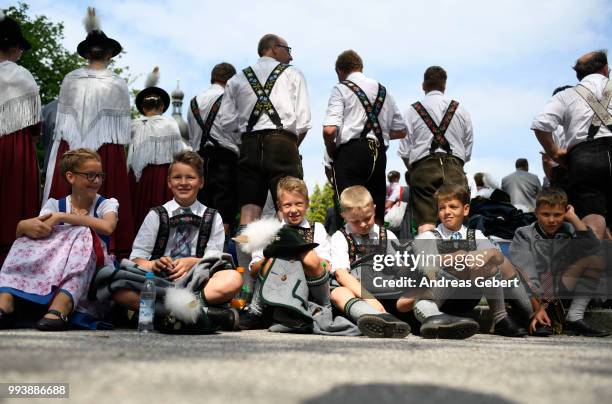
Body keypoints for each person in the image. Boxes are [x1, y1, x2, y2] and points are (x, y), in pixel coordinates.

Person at [108, 151, 242, 331]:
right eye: (177, 177)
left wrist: (192, 262)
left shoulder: (212, 216)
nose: (184, 183)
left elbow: (215, 258)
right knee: (118, 289)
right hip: (159, 282)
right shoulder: (156, 215)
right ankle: (197, 314)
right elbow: (136, 259)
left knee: (233, 278)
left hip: (198, 282)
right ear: (169, 182)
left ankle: (172, 313)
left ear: (201, 182)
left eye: (190, 177)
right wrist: (154, 264)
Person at [43, 7, 134, 257]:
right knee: (104, 182)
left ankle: (59, 239)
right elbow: (120, 134)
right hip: (104, 151)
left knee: (68, 181)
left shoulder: (70, 79)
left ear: (88, 53)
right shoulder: (117, 83)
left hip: (70, 148)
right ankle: (110, 248)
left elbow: (60, 126)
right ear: (109, 55)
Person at [0, 148, 118, 331]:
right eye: (90, 175)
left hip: (93, 268)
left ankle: (63, 303)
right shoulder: (54, 204)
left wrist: (63, 217)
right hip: (59, 264)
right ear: (71, 177)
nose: (96, 181)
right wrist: (22, 226)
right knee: (26, 238)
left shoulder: (106, 204)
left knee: (82, 233)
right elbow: (39, 232)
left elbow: (108, 227)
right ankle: (5, 302)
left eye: (100, 175)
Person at [219, 33, 311, 265]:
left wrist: (246, 139)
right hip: (282, 142)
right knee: (289, 206)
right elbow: (304, 120)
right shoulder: (292, 74)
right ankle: (286, 273)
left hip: (249, 145)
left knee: (249, 212)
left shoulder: (237, 79)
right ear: (273, 48)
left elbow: (225, 123)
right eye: (287, 49)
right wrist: (290, 146)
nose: (290, 56)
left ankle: (245, 278)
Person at [408, 184, 528, 338]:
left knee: (492, 262)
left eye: (453, 207)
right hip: (438, 297)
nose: (447, 212)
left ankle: (501, 319)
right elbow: (424, 263)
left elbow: (499, 259)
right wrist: (457, 256)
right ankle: (438, 321)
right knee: (448, 268)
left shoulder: (474, 234)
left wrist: (488, 253)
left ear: (465, 210)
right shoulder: (430, 236)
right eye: (442, 208)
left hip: (467, 296)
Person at [510, 187, 610, 337]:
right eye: (545, 214)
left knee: (595, 260)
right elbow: (526, 272)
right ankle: (537, 317)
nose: (552, 220)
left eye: (558, 214)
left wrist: (574, 218)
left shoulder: (569, 229)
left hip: (559, 289)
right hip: (534, 290)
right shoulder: (523, 233)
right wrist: (539, 306)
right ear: (536, 212)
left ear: (565, 213)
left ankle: (574, 318)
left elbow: (595, 248)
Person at [532, 50, 611, 239]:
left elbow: (540, 124)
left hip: (585, 158)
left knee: (593, 217)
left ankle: (593, 264)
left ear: (578, 74)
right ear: (605, 68)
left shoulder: (566, 96)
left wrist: (554, 152)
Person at [323, 50, 406, 224]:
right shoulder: (383, 91)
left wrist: (332, 152)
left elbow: (330, 130)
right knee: (373, 212)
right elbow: (401, 130)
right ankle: (376, 249)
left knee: (348, 209)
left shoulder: (341, 88)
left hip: (350, 153)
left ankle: (349, 248)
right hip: (378, 155)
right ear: (360, 67)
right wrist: (380, 133)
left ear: (339, 70)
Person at [398, 66, 473, 234]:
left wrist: (415, 170)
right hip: (454, 166)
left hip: (423, 168)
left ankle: (428, 259)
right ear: (444, 86)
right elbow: (467, 149)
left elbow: (404, 152)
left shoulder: (411, 111)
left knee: (426, 223)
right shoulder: (460, 110)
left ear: (423, 85)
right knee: (455, 218)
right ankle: (458, 258)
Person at [329, 185, 411, 338]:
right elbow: (341, 274)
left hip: (388, 294)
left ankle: (433, 319)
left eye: (367, 218)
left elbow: (400, 270)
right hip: (359, 296)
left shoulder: (387, 235)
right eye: (355, 221)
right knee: (337, 293)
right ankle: (379, 319)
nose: (363, 225)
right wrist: (369, 299)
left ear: (374, 209)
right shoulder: (340, 238)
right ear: (344, 216)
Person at [0, 11, 41, 266]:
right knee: (12, 205)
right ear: (14, 46)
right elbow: (35, 122)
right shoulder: (21, 75)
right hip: (14, 146)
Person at [128, 67, 188, 227]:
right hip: (162, 176)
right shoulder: (170, 124)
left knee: (139, 214)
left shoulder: (133, 126)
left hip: (138, 177)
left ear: (142, 107)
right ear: (162, 107)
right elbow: (179, 154)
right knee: (161, 215)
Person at [188, 62, 239, 234]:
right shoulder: (229, 98)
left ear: (213, 78)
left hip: (198, 161)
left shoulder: (193, 101)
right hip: (224, 159)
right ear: (231, 80)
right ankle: (220, 253)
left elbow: (191, 135)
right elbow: (236, 131)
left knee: (201, 209)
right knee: (224, 211)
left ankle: (199, 251)